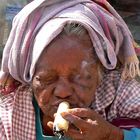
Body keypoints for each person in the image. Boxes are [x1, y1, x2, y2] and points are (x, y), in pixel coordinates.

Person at [0, 0, 140, 140]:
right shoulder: (9, 116)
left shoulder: (121, 94)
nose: (63, 92)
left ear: (100, 75)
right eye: (48, 79)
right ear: (30, 76)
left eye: (79, 77)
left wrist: (112, 135)